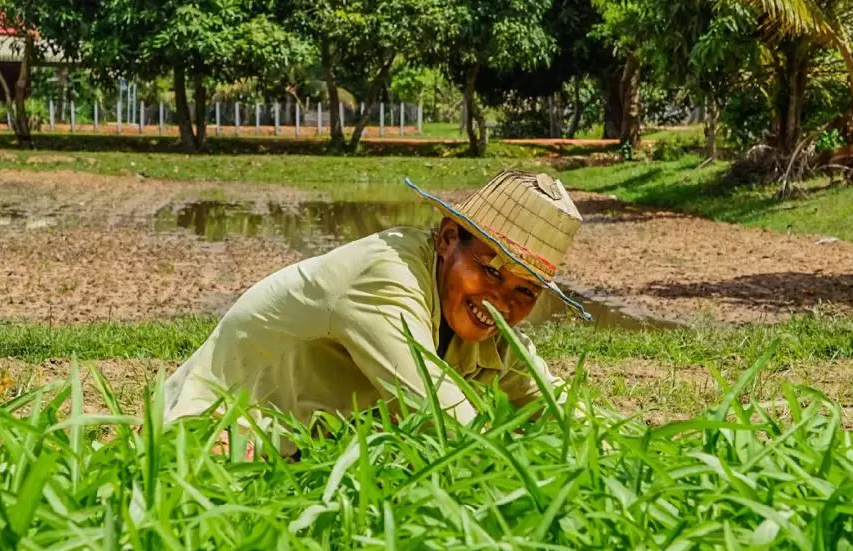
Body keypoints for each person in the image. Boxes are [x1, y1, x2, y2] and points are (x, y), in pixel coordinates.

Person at [163, 170, 589, 455]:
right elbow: (442, 416)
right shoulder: (387, 276)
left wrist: (609, 454)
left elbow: (555, 403)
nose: (501, 301)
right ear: (446, 239)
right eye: (490, 269)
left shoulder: (486, 326)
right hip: (219, 431)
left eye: (526, 290)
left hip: (307, 454)